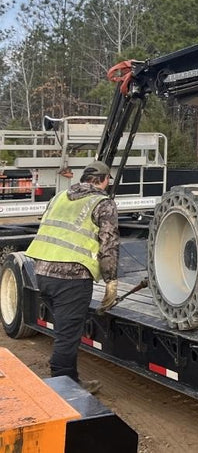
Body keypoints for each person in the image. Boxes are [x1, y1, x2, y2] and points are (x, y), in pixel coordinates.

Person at [24, 160, 120, 394]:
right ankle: (63, 386)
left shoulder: (58, 198)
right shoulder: (103, 203)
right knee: (68, 335)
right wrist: (111, 280)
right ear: (104, 180)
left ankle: (67, 377)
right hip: (72, 278)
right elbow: (109, 244)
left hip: (42, 271)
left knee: (63, 331)